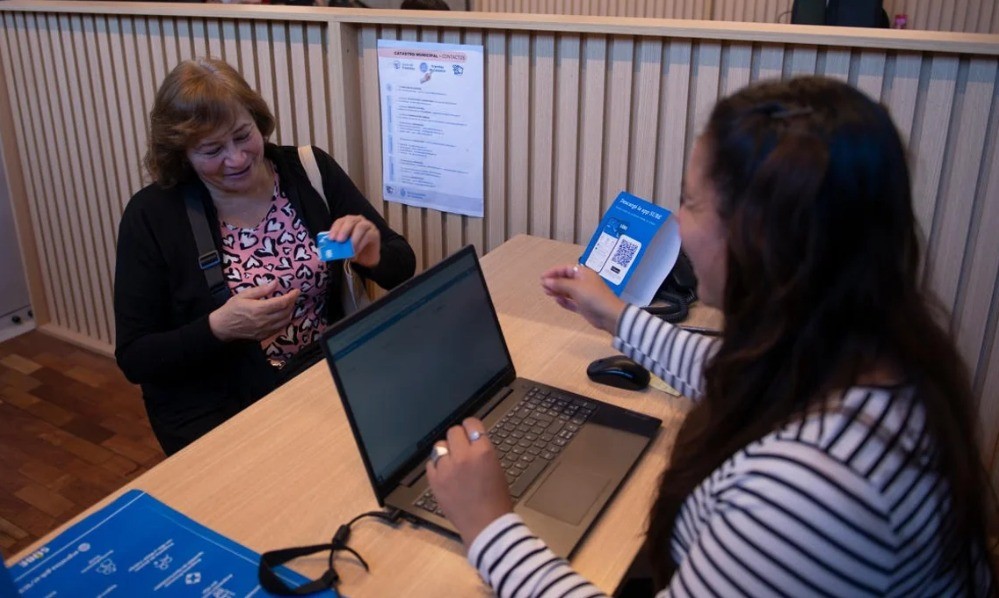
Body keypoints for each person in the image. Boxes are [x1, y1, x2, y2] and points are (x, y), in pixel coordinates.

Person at [426, 76, 995, 595]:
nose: (679, 224)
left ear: (760, 239)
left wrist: (490, 527)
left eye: (692, 203)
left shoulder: (811, 489)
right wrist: (619, 318)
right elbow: (743, 371)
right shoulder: (875, 354)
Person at [114, 58, 415, 455]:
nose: (236, 159)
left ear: (258, 122)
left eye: (243, 136)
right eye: (212, 150)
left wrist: (373, 254)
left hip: (324, 385)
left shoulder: (307, 172)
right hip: (220, 416)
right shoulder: (153, 215)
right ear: (180, 152)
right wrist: (218, 328)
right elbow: (135, 358)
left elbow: (402, 266)